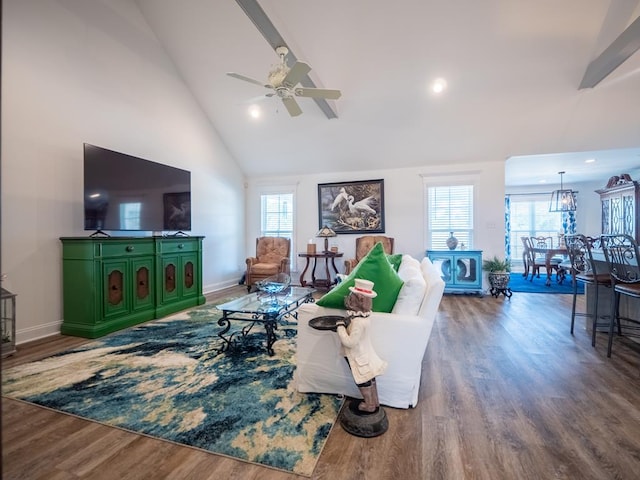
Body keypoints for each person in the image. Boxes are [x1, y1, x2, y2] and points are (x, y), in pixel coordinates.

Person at [335, 279, 387, 413]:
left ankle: (369, 405)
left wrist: (340, 327)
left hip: (358, 356)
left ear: (358, 300)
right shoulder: (365, 317)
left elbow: (350, 343)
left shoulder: (358, 321)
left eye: (351, 297)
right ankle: (375, 402)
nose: (349, 299)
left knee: (363, 381)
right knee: (370, 378)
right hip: (366, 353)